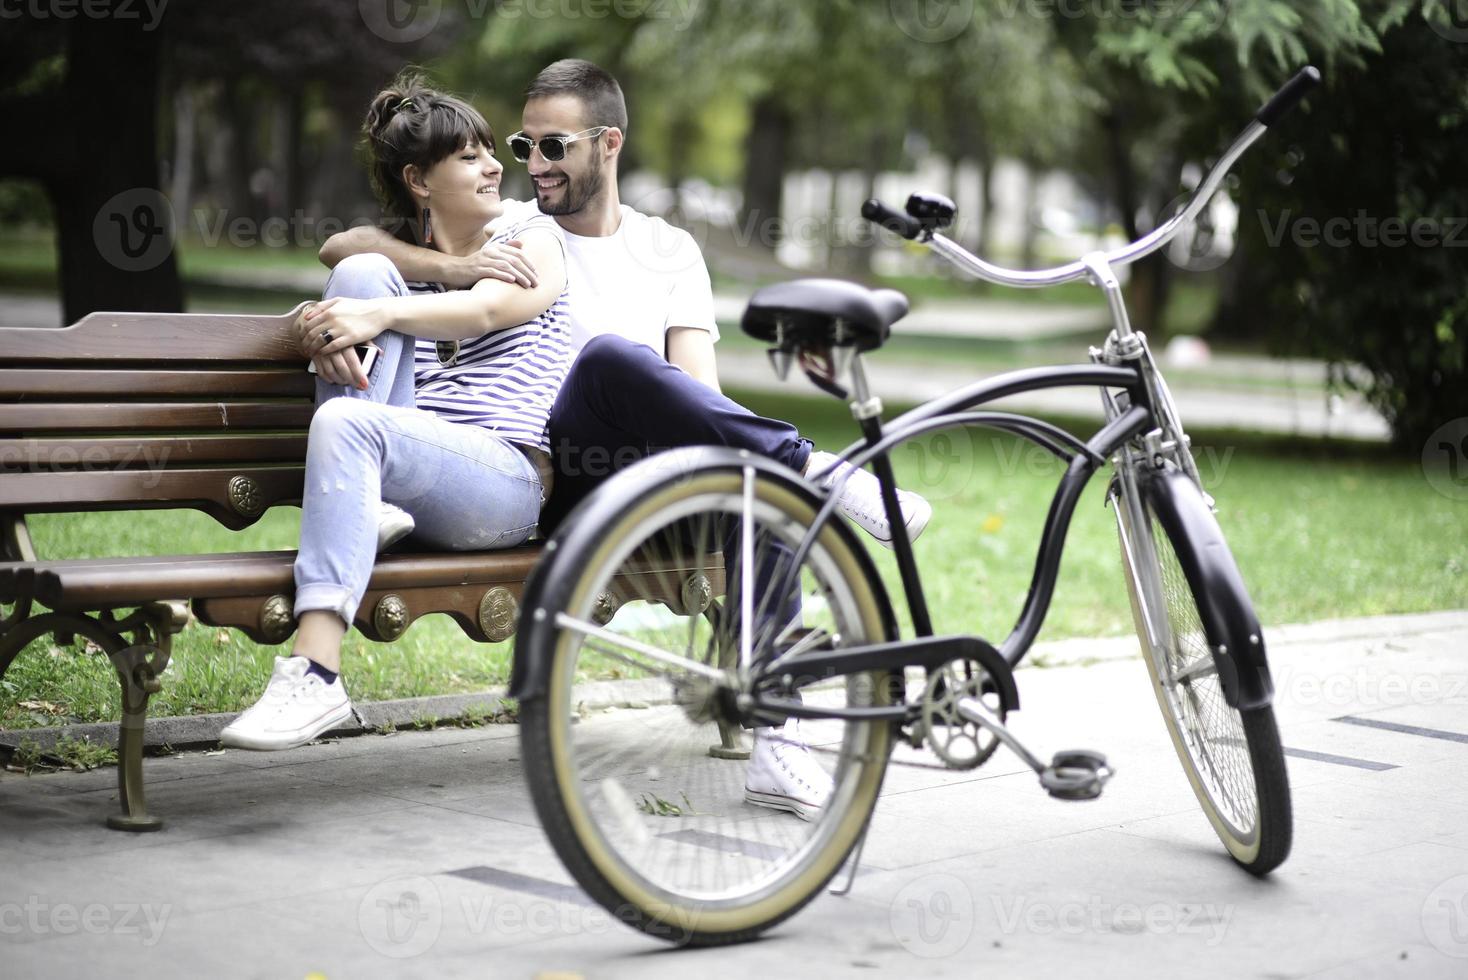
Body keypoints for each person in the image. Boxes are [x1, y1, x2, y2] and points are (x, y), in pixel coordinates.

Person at [319, 61, 929, 820]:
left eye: (552, 148)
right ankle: (816, 465)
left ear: (608, 143)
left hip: (659, 469)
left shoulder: (669, 249)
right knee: (607, 359)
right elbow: (346, 244)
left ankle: (780, 739)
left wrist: (724, 452)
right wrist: (454, 265)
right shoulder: (513, 227)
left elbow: (697, 388)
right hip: (560, 475)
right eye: (522, 146)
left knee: (760, 488)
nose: (532, 166)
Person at [220, 76, 571, 751]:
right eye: (470, 156)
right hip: (410, 472)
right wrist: (347, 318)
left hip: (504, 481)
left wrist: (376, 315)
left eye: (491, 150)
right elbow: (340, 249)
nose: (497, 166)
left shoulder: (532, 232)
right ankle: (368, 514)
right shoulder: (391, 261)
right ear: (419, 179)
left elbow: (494, 309)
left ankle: (315, 671)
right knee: (357, 278)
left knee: (347, 414)